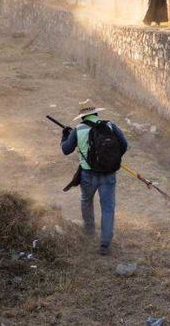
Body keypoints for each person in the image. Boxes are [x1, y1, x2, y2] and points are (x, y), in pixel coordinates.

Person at [60, 99, 129, 255]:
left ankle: (89, 230)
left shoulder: (78, 129)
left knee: (86, 201)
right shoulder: (110, 125)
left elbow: (65, 150)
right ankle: (105, 244)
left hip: (88, 175)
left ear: (82, 116)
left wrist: (65, 136)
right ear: (96, 113)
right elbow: (124, 145)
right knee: (108, 208)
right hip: (109, 174)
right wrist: (111, 160)